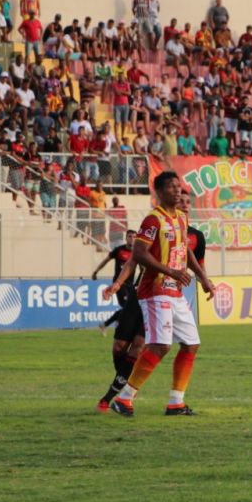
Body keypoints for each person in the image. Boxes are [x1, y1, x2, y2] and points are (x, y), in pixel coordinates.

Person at [110, 171, 214, 418]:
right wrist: (171, 271)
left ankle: (176, 402)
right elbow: (139, 253)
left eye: (178, 186)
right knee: (160, 345)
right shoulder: (153, 220)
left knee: (191, 344)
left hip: (175, 291)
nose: (177, 190)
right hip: (155, 291)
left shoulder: (181, 218)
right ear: (159, 191)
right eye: (171, 186)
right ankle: (124, 399)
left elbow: (186, 252)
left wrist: (203, 278)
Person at [92, 230, 144, 413]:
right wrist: (117, 284)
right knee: (119, 347)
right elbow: (132, 263)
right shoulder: (140, 246)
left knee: (138, 346)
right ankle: (126, 382)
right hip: (135, 296)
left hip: (157, 301)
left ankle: (109, 398)